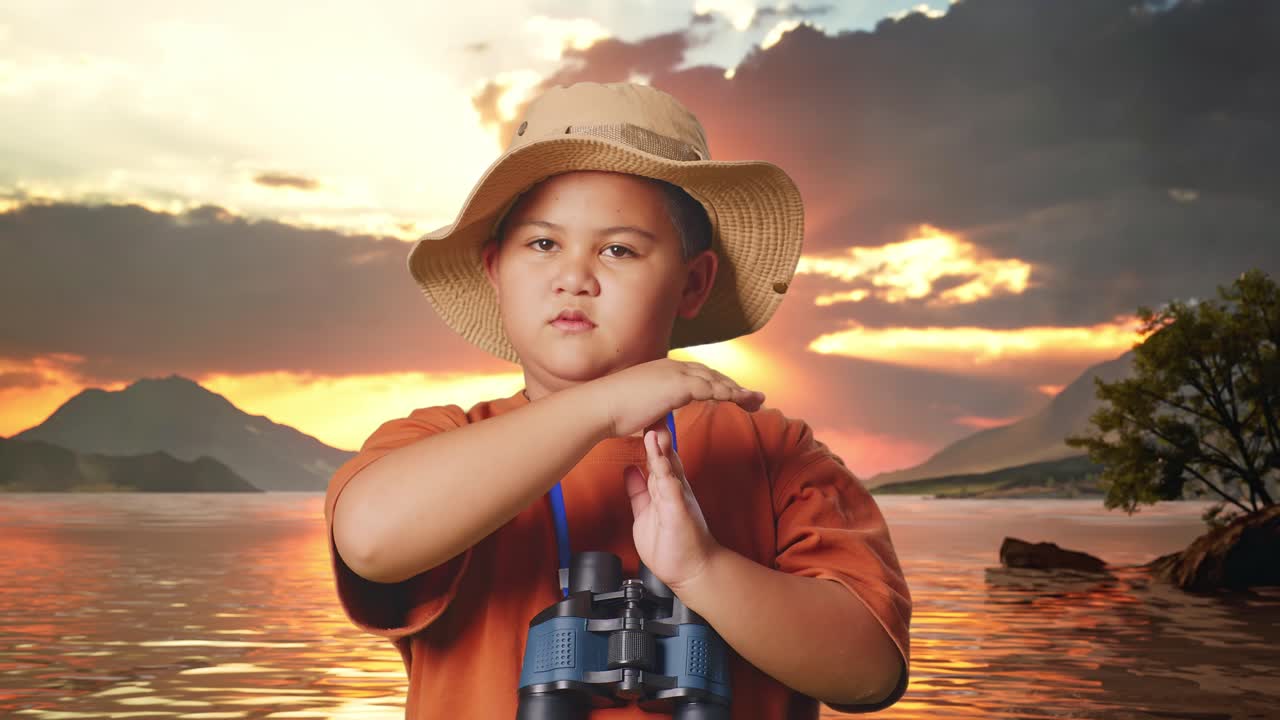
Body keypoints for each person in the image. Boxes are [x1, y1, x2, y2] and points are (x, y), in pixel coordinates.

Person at [323, 80, 911, 718]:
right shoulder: (437, 445)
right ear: (496, 270)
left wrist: (704, 571)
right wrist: (602, 406)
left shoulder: (774, 452)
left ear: (693, 284)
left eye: (618, 249)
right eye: (543, 244)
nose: (574, 277)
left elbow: (869, 675)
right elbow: (370, 541)